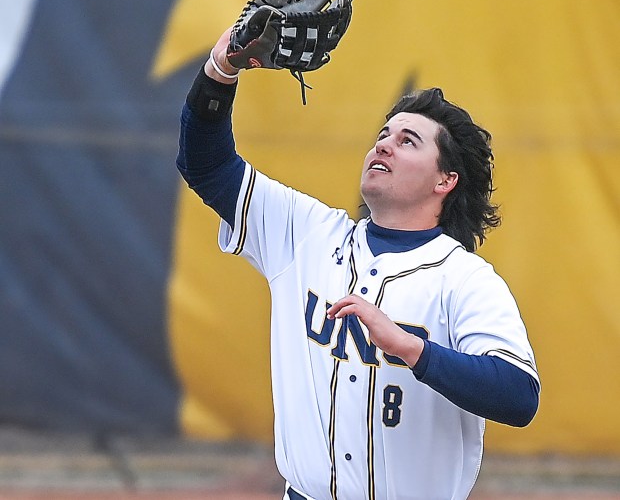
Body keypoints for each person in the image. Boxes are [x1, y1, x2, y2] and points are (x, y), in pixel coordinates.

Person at [176, 27, 540, 500]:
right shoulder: (306, 234)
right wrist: (220, 73)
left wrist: (410, 348)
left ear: (445, 180)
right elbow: (206, 166)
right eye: (383, 135)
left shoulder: (465, 280)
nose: (383, 145)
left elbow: (518, 395)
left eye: (408, 141)